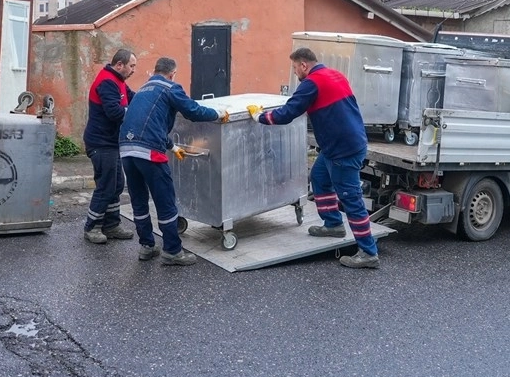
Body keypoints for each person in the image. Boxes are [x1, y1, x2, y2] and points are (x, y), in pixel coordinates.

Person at [246, 47, 379, 269]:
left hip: (342, 150)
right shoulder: (335, 75)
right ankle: (333, 224)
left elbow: (287, 113)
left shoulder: (311, 83)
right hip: (344, 143)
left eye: (295, 67)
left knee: (351, 199)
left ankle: (368, 252)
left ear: (303, 65)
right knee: (319, 177)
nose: (295, 72)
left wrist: (260, 116)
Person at [119, 57, 229, 266]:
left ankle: (147, 246)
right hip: (150, 151)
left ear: (156, 71)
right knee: (165, 201)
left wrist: (172, 146)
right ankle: (172, 250)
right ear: (172, 74)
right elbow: (193, 111)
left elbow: (150, 123)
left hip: (126, 149)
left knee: (139, 200)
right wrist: (218, 113)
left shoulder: (143, 90)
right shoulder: (170, 88)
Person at [82, 48, 137, 244]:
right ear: (119, 65)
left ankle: (111, 225)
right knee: (106, 185)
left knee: (117, 184)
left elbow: (133, 98)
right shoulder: (107, 82)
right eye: (132, 66)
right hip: (101, 142)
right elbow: (114, 112)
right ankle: (92, 227)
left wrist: (147, 102)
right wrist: (135, 113)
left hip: (111, 142)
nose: (134, 70)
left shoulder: (118, 81)